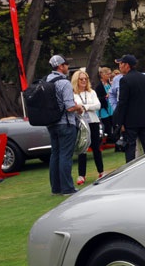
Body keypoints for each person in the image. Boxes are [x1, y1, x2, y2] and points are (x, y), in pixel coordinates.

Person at [42, 55, 84, 194]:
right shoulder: (64, 83)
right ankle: (67, 187)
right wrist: (79, 107)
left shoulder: (46, 80)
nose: (67, 67)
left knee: (55, 155)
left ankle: (56, 187)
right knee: (65, 156)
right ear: (60, 66)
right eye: (65, 64)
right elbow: (69, 107)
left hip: (52, 123)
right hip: (65, 123)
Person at [113, 54, 145, 163]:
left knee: (130, 147)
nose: (120, 66)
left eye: (121, 64)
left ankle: (131, 169)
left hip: (130, 120)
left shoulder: (125, 80)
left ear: (127, 65)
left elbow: (123, 102)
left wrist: (120, 121)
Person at [72, 69, 105, 185]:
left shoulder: (91, 92)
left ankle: (101, 171)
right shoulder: (73, 94)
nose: (84, 81)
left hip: (93, 122)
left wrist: (85, 107)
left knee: (96, 147)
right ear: (76, 80)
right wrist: (83, 107)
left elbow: (98, 105)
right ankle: (81, 175)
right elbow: (75, 106)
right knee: (82, 148)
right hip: (81, 124)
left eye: (86, 79)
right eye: (81, 79)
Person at [96, 66, 114, 142]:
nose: (109, 76)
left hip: (110, 107)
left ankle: (112, 139)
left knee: (113, 123)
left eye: (110, 74)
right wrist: (105, 97)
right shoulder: (99, 86)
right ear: (103, 75)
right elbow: (98, 98)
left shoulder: (109, 84)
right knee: (107, 125)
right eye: (108, 74)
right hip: (104, 108)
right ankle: (109, 139)